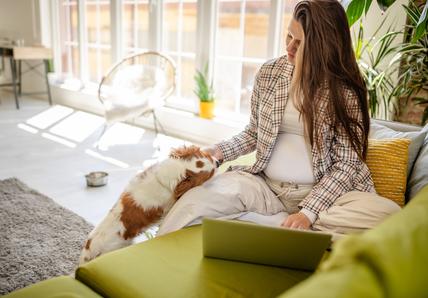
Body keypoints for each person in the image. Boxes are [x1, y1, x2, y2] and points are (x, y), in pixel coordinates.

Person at [157, 0, 400, 237]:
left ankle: (274, 224)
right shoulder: (270, 73)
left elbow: (347, 164)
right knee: (193, 202)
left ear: (323, 47)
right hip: (266, 188)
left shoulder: (345, 92)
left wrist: (309, 213)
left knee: (389, 216)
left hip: (327, 197)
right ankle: (286, 228)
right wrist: (219, 151)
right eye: (288, 36)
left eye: (300, 42)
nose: (290, 47)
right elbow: (254, 132)